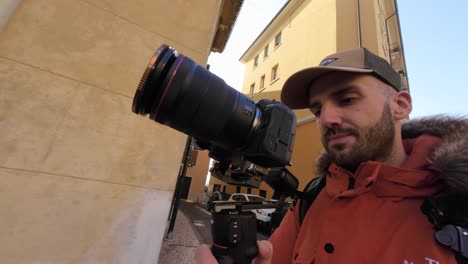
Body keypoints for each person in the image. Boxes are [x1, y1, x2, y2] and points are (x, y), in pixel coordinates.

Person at [195, 47, 468, 263]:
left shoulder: (458, 201)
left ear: (400, 105)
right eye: (317, 110)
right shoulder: (313, 198)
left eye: (347, 99)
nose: (327, 119)